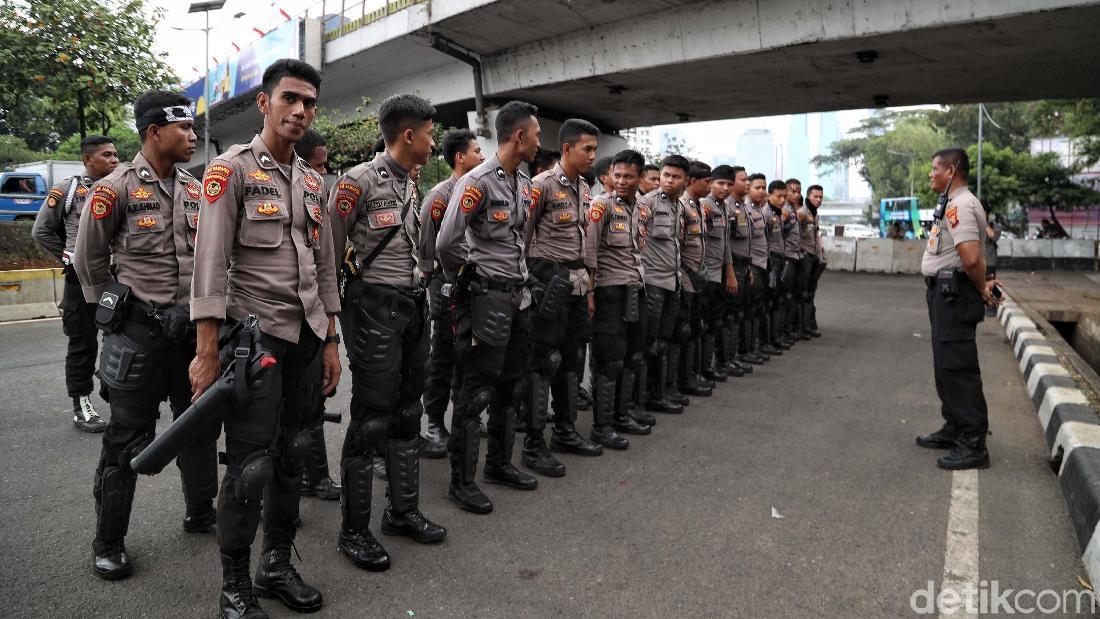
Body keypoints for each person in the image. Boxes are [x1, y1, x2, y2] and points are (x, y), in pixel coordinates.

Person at [190, 59, 339, 617]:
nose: (300, 111)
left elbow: (325, 269)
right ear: (265, 103)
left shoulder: (312, 180)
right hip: (255, 340)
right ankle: (234, 584)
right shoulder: (229, 172)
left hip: (305, 338)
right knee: (250, 467)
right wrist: (206, 352)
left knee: (293, 455)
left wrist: (330, 340)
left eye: (310, 104)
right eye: (291, 99)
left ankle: (275, 564)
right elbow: (209, 267)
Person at [74, 91, 218, 579]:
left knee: (196, 426)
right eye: (185, 129)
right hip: (137, 334)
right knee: (126, 439)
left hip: (188, 333)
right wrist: (113, 316)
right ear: (155, 132)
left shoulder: (196, 190)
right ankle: (108, 541)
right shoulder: (112, 189)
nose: (194, 137)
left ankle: (201, 511)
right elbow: (88, 260)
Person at [327, 94, 447, 572]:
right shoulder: (357, 182)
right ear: (408, 135)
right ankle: (354, 532)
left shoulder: (410, 182)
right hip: (373, 309)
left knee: (407, 414)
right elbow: (328, 258)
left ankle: (402, 512)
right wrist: (329, 330)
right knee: (371, 420)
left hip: (412, 306)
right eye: (430, 133)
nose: (434, 141)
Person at [436, 100, 541, 514]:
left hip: (518, 297)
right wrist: (469, 278)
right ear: (519, 136)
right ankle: (461, 482)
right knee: (475, 392)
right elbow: (447, 242)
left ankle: (499, 464)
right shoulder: (477, 182)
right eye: (536, 135)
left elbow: (519, 237)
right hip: (485, 300)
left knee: (511, 386)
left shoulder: (524, 180)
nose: (538, 142)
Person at [523, 118, 605, 477]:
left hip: (575, 282)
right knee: (545, 361)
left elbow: (584, 241)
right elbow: (521, 239)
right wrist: (528, 286)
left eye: (595, 150)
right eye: (587, 149)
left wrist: (587, 285)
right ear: (568, 149)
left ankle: (566, 432)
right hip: (547, 280)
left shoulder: (585, 188)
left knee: (572, 360)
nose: (592, 156)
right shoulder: (539, 186)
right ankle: (532, 444)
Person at [916, 147, 1000, 470]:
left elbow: (971, 258)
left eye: (934, 169)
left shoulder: (961, 205)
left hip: (955, 295)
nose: (930, 174)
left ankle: (973, 442)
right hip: (943, 295)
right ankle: (954, 427)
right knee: (945, 367)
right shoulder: (951, 203)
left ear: (951, 171)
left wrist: (980, 287)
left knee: (959, 369)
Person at [33, 135, 119, 432]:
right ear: (87, 160)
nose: (114, 160)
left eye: (115, 154)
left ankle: (117, 394)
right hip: (79, 279)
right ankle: (81, 404)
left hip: (116, 278)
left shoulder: (121, 186)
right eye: (107, 155)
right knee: (83, 345)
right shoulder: (68, 190)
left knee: (120, 338)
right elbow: (41, 231)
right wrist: (66, 256)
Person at [419, 129, 484, 458]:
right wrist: (439, 285)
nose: (482, 156)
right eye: (476, 150)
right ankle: (434, 423)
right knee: (443, 357)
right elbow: (427, 249)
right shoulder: (440, 196)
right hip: (446, 286)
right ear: (460, 157)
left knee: (468, 355)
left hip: (474, 286)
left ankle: (463, 417)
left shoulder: (479, 189)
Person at [584, 149, 649, 450]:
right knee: (608, 361)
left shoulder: (642, 208)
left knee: (632, 356)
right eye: (617, 175)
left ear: (639, 178)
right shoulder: (601, 205)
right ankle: (602, 426)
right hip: (609, 291)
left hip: (635, 289)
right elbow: (590, 252)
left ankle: (622, 415)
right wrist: (590, 293)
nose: (621, 181)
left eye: (628, 176)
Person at [291, 129, 342, 502]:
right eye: (319, 164)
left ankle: (316, 477)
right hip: (262, 323)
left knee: (312, 404)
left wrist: (331, 336)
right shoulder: (240, 176)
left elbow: (326, 267)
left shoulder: (314, 190)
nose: (324, 172)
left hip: (310, 318)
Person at [641, 155, 690, 417]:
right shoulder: (646, 203)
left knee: (664, 341)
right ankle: (643, 399)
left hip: (673, 282)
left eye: (676, 177)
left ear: (685, 181)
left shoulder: (680, 207)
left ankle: (658, 394)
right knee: (648, 344)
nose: (669, 181)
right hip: (652, 282)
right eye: (666, 175)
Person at [672, 161, 714, 399]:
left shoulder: (698, 207)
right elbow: (677, 247)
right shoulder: (683, 207)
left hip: (697, 280)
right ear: (692, 181)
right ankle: (681, 380)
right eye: (706, 181)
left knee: (695, 329)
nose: (710, 185)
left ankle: (690, 375)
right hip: (686, 280)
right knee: (683, 331)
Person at [698, 165, 742, 380]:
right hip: (705, 275)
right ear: (711, 183)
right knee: (701, 324)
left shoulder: (723, 207)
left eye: (729, 184)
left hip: (719, 274)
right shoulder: (703, 206)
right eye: (720, 183)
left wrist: (731, 273)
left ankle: (709, 366)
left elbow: (725, 245)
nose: (725, 188)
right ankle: (700, 369)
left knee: (715, 322)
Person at [744, 174, 776, 360]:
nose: (762, 191)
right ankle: (745, 350)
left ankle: (755, 346)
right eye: (758, 187)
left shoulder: (759, 211)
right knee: (747, 311)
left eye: (764, 187)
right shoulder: (745, 210)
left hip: (763, 263)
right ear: (749, 189)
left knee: (758, 309)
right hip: (752, 265)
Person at [764, 180, 793, 351]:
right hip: (770, 260)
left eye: (784, 196)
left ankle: (775, 337)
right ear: (770, 195)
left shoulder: (779, 213)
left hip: (780, 259)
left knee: (778, 301)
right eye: (778, 196)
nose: (782, 200)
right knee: (769, 302)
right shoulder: (766, 213)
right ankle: (767, 341)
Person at [797, 185, 824, 338]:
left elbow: (816, 234)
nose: (818, 200)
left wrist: (820, 255)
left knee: (810, 292)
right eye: (815, 196)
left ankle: (808, 325)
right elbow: (793, 236)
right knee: (802, 293)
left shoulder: (815, 214)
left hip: (813, 257)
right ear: (808, 196)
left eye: (820, 197)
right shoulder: (801, 213)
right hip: (804, 256)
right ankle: (801, 327)